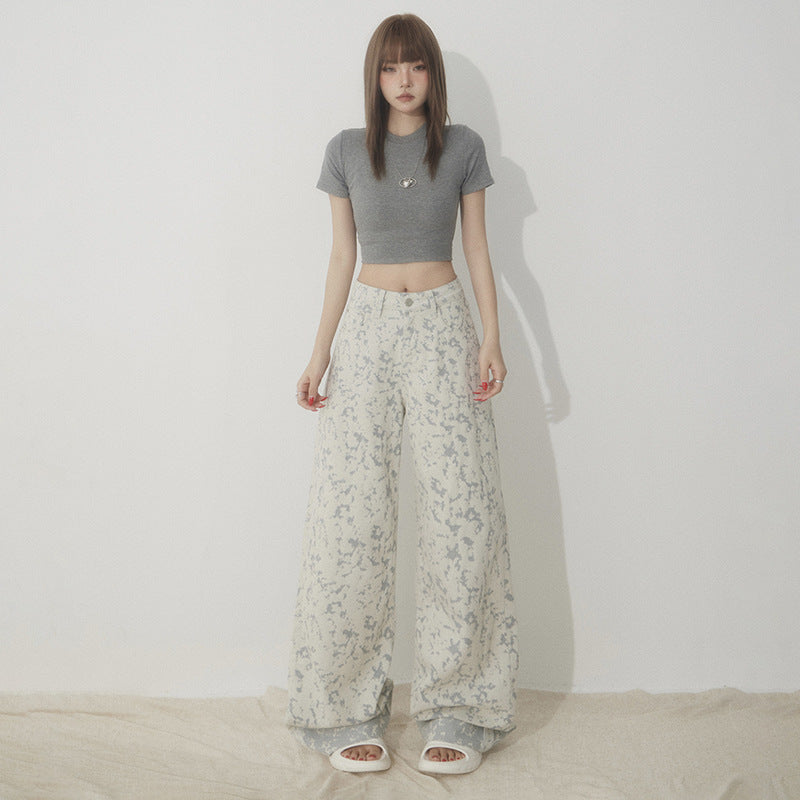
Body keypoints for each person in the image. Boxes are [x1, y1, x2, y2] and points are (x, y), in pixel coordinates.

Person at [287, 13, 519, 775]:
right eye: (390, 68)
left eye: (416, 66)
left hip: (446, 325)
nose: (405, 80)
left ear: (431, 74)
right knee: (350, 519)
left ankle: (461, 706)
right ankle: (345, 708)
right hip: (368, 330)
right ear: (375, 76)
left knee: (462, 513)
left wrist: (491, 336)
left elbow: (478, 246)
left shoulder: (463, 147)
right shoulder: (346, 150)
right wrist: (319, 353)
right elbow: (340, 255)